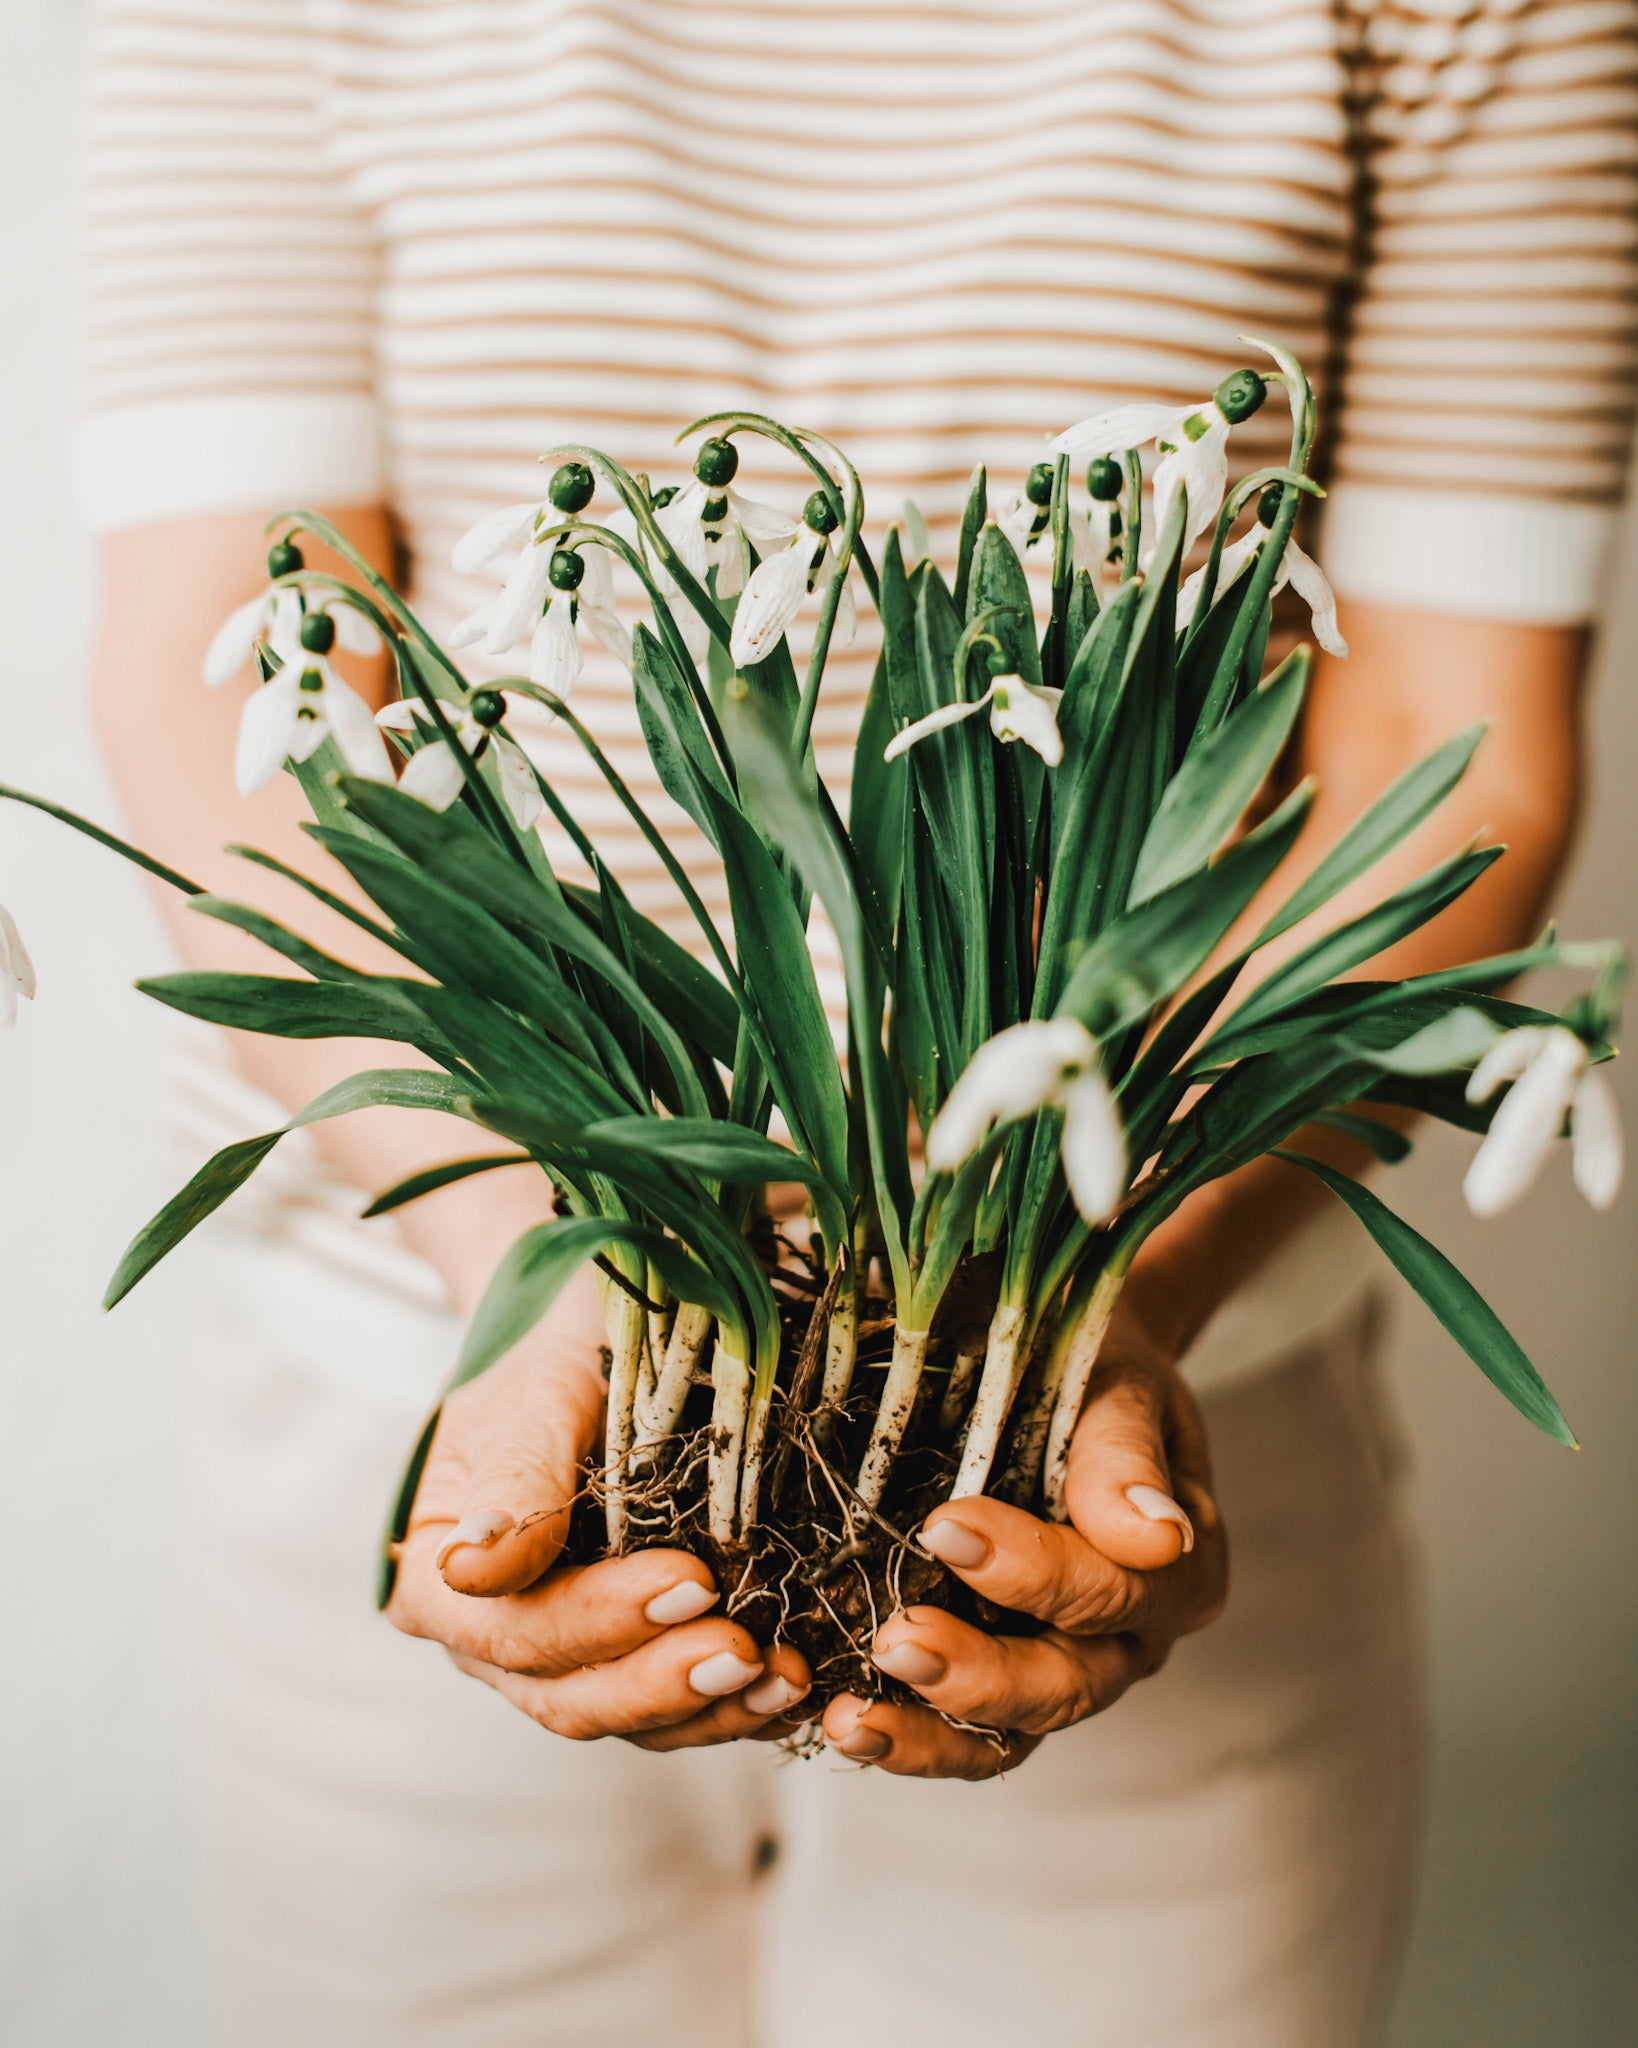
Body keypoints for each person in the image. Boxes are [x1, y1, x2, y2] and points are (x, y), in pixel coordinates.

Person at [78, 3, 1635, 2043]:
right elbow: (246, 692)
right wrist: (532, 1279)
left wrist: (1101, 1311)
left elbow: (1443, 744)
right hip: (437, 1371)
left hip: (1126, 1404)